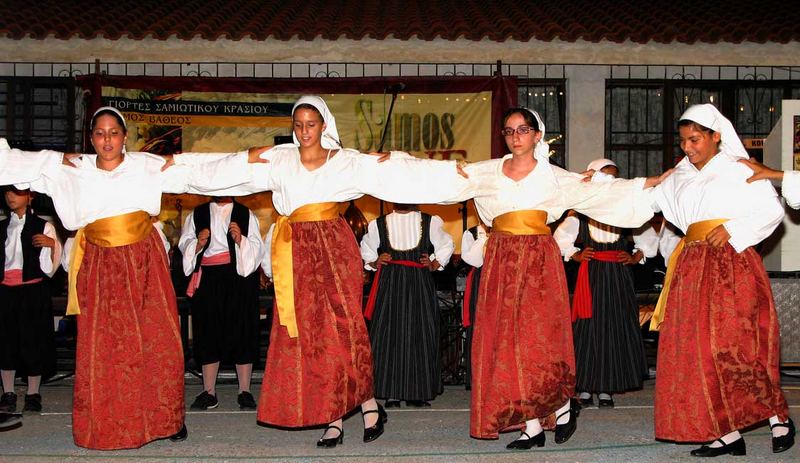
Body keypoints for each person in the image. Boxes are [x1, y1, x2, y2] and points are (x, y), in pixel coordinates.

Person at [202, 95, 471, 448]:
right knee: (312, 337)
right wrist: (174, 166)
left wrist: (430, 166)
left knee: (342, 331)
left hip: (332, 246)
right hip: (296, 248)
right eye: (297, 125)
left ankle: (354, 410)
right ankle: (348, 413)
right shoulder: (281, 159)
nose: (303, 131)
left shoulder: (344, 161)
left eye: (311, 124)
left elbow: (399, 171)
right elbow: (228, 167)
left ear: (324, 125)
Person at [0, 106, 257, 450]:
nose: (107, 140)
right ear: (91, 138)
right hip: (101, 265)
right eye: (100, 133)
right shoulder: (74, 169)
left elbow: (199, 169)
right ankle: (106, 425)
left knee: (158, 340)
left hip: (143, 262)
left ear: (125, 137)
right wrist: (55, 157)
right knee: (108, 348)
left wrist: (250, 159)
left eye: (114, 133)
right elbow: (17, 163)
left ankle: (165, 420)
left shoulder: (145, 166)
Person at [458, 108, 661, 449]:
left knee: (540, 338)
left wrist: (649, 184)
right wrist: (394, 165)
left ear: (538, 135)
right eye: (509, 131)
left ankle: (563, 402)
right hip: (501, 258)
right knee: (507, 342)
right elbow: (443, 178)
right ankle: (532, 426)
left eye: (523, 129)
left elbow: (604, 191)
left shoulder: (555, 176)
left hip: (537, 259)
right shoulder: (487, 172)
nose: (515, 136)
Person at [648, 104, 794, 456]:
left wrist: (734, 229)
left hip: (732, 262)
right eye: (683, 141)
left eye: (695, 139)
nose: (688, 148)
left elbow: (773, 211)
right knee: (696, 349)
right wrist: (599, 185)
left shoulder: (737, 168)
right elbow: (642, 202)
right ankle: (725, 432)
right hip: (693, 266)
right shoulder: (679, 176)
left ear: (716, 136)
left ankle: (778, 417)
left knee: (737, 345)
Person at [553, 158, 653, 409]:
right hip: (592, 275)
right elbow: (559, 238)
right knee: (587, 329)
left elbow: (648, 236)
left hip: (618, 276)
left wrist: (635, 256)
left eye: (614, 177)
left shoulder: (626, 209)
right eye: (606, 176)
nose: (611, 182)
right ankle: (585, 387)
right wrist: (575, 254)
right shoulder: (581, 211)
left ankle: (607, 388)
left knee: (614, 327)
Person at [360, 203, 454, 408]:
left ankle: (417, 392)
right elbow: (365, 247)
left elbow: (446, 244)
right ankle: (391, 391)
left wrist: (436, 262)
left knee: (419, 332)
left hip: (419, 282)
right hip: (390, 284)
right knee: (389, 334)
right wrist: (374, 262)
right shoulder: (379, 223)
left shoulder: (429, 221)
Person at [179, 197, 263, 411]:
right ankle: (209, 392)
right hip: (209, 277)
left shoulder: (246, 214)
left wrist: (241, 240)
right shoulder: (196, 214)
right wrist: (197, 244)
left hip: (238, 275)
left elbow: (257, 246)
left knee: (241, 328)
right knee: (208, 331)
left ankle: (244, 390)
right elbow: (184, 242)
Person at [0, 186, 61, 414]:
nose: (10, 196)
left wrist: (51, 245)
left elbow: (50, 268)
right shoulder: (2, 227)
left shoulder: (43, 226)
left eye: (16, 192)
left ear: (30, 196)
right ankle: (8, 392)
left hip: (32, 291)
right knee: (6, 341)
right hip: (5, 291)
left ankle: (33, 393)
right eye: (7, 192)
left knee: (32, 341)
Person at [459, 222, 488, 390]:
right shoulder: (471, 233)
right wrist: (484, 236)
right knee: (479, 328)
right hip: (481, 280)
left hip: (505, 278)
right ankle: (478, 378)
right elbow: (473, 260)